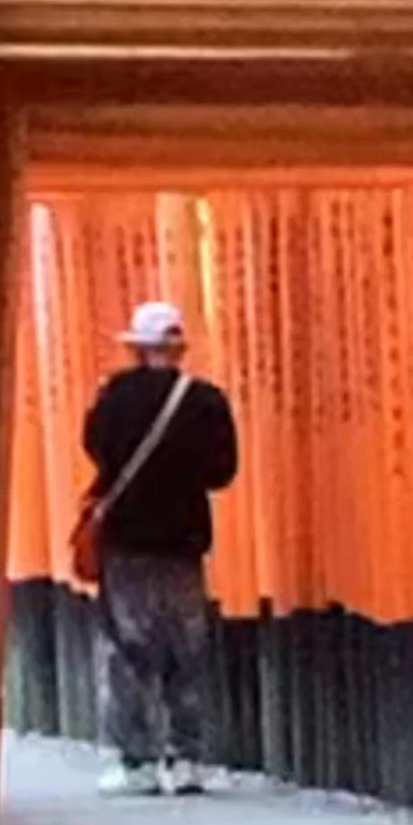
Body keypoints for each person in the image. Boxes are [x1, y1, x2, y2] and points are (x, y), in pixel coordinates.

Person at [79, 293, 240, 791]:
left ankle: (137, 763)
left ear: (136, 349)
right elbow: (222, 472)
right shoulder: (207, 401)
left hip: (127, 539)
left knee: (127, 647)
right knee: (185, 648)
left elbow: (94, 447)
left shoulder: (114, 397)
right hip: (183, 540)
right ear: (179, 349)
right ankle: (186, 759)